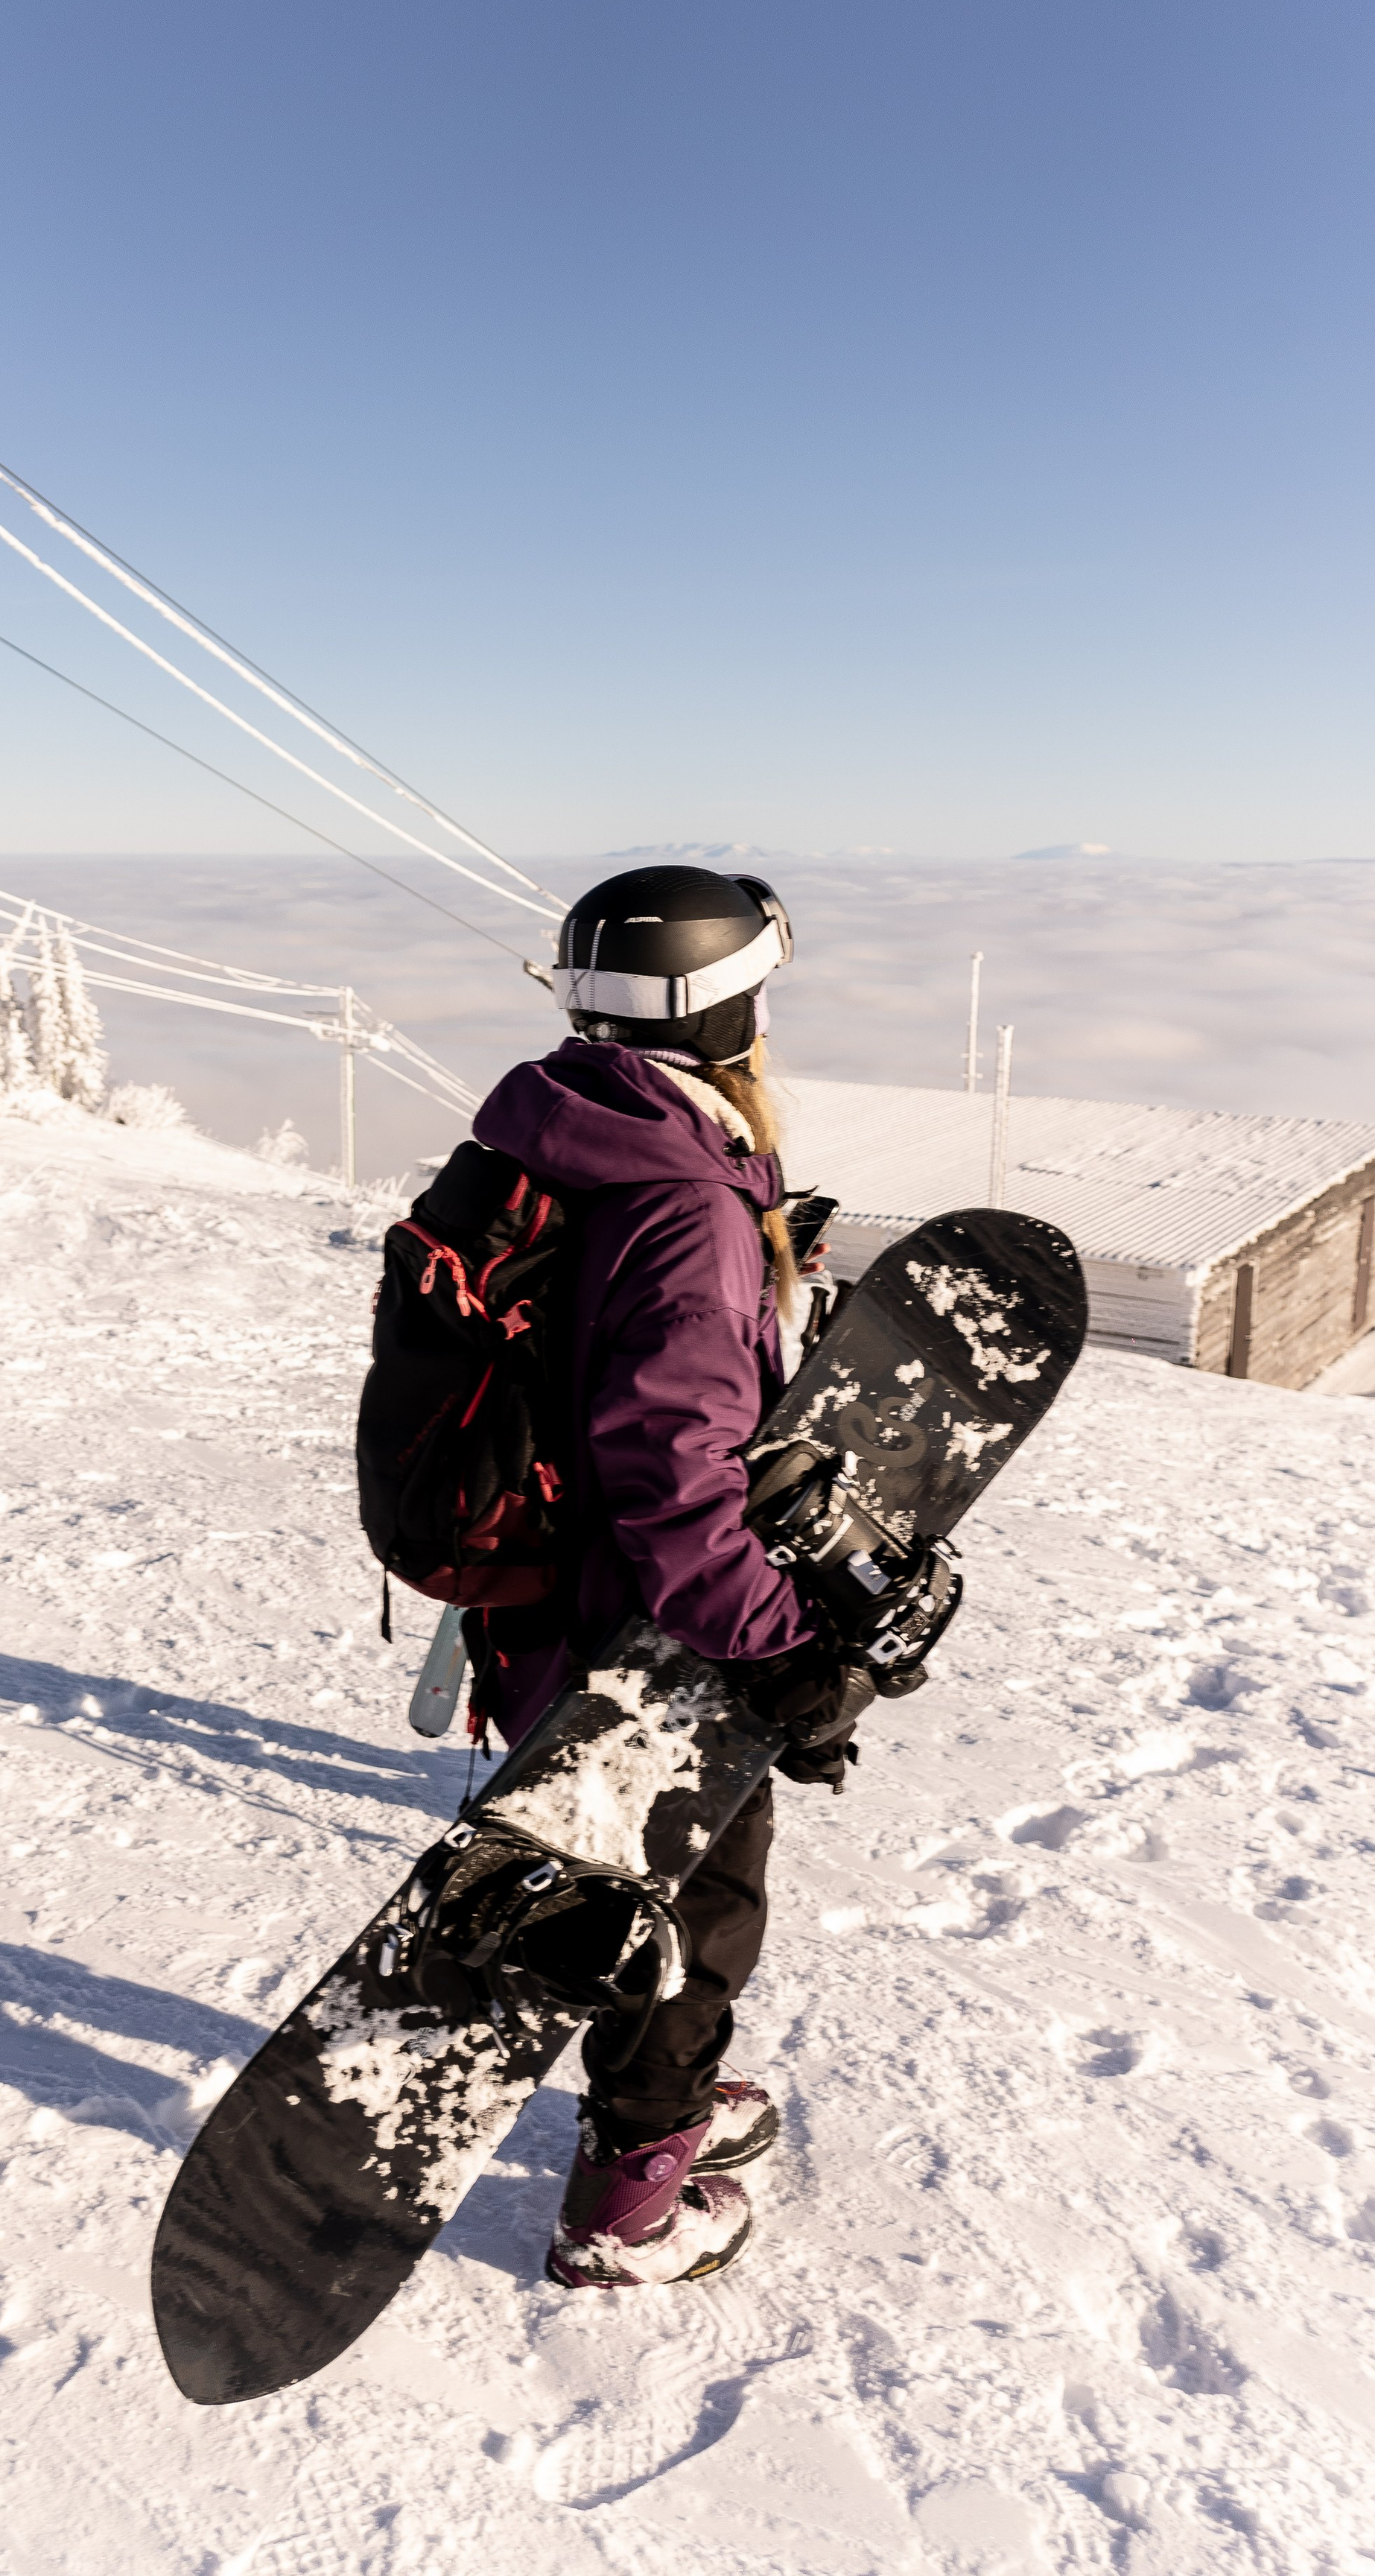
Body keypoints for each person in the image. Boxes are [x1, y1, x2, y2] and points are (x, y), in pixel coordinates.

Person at [469, 861, 861, 2291]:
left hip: (542, 1602)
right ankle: (627, 2200)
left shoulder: (571, 1131)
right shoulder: (684, 1202)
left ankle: (667, 2105)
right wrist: (776, 1649)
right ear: (718, 1008)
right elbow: (676, 1477)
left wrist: (760, 1271)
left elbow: (604, 1345)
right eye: (757, 992)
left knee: (653, 1892)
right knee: (687, 1910)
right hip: (639, 1632)